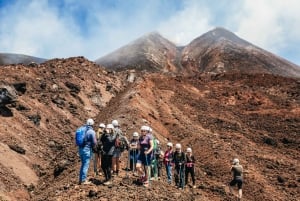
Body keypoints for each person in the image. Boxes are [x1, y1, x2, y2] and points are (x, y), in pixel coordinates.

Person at [78, 118, 97, 185]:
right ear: (92, 124)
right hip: (87, 150)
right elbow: (94, 142)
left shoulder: (83, 129)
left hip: (80, 149)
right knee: (86, 165)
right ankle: (83, 180)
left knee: (83, 164)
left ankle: (80, 179)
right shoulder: (91, 132)